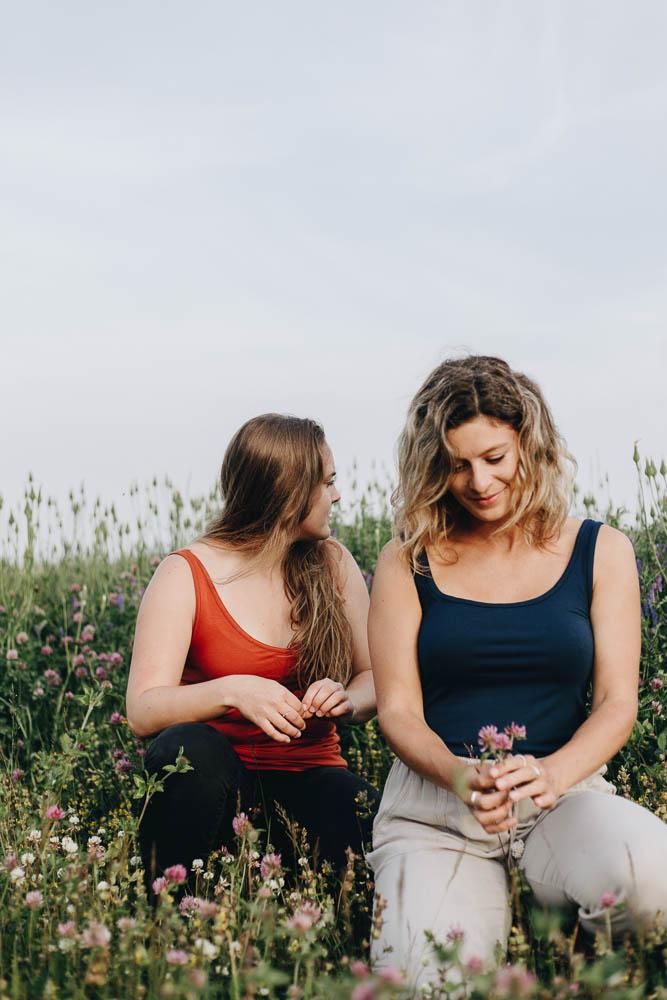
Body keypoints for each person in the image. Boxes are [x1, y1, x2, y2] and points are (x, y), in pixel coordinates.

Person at [367, 355, 667, 989]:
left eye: (496, 457)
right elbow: (396, 709)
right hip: (437, 808)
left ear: (530, 445)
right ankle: (490, 917)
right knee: (429, 982)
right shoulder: (406, 559)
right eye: (457, 465)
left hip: (565, 794)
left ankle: (567, 934)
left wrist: (552, 775)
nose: (479, 482)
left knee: (654, 879)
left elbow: (617, 703)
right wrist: (460, 775)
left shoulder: (601, 550)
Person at [126, 413, 379, 890]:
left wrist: (346, 699)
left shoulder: (334, 563)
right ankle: (171, 923)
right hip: (220, 789)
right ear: (287, 492)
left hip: (313, 775)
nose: (338, 495)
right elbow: (143, 709)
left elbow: (373, 678)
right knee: (186, 748)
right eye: (326, 483)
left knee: (384, 851)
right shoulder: (185, 573)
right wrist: (234, 691)